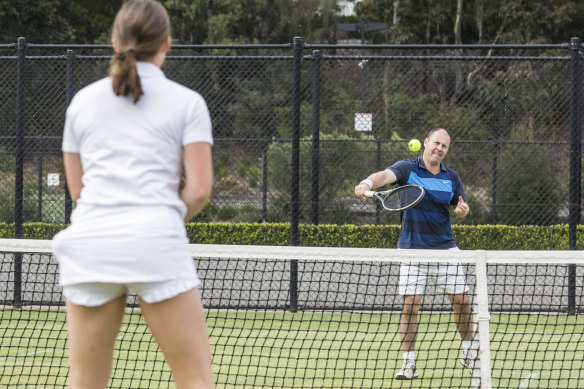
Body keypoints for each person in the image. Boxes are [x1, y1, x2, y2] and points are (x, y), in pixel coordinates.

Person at [51, 1, 215, 388]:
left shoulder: (81, 103)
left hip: (91, 242)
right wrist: (160, 222)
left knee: (85, 381)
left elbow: (79, 190)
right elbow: (200, 189)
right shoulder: (188, 102)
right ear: (166, 44)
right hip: (156, 241)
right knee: (195, 380)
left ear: (114, 42)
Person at [354, 128, 478, 380]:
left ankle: (468, 352)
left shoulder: (451, 177)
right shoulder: (406, 168)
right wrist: (367, 183)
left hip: (445, 249)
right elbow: (383, 175)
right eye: (436, 143)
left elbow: (460, 206)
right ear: (425, 143)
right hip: (411, 250)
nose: (439, 148)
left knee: (463, 302)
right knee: (410, 306)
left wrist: (462, 211)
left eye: (444, 146)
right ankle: (408, 364)